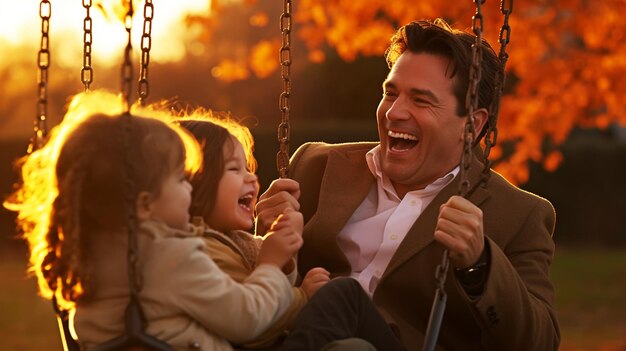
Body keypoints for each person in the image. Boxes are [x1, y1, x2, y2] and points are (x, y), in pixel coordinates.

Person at [257, 19, 560, 351]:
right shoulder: (316, 166)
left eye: (420, 100)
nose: (394, 113)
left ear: (471, 125)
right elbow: (248, 285)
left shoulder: (518, 215)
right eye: (391, 93)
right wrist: (263, 237)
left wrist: (479, 264)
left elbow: (539, 342)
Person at [9, 91, 302, 350]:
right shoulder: (170, 256)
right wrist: (270, 265)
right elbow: (246, 319)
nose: (189, 185)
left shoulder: (85, 255)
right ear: (145, 204)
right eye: (179, 178)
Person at [177, 116, 331, 349]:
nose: (251, 177)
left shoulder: (233, 241)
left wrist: (284, 257)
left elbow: (265, 286)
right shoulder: (200, 251)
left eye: (247, 168)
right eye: (234, 169)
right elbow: (255, 325)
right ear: (193, 183)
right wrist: (303, 298)